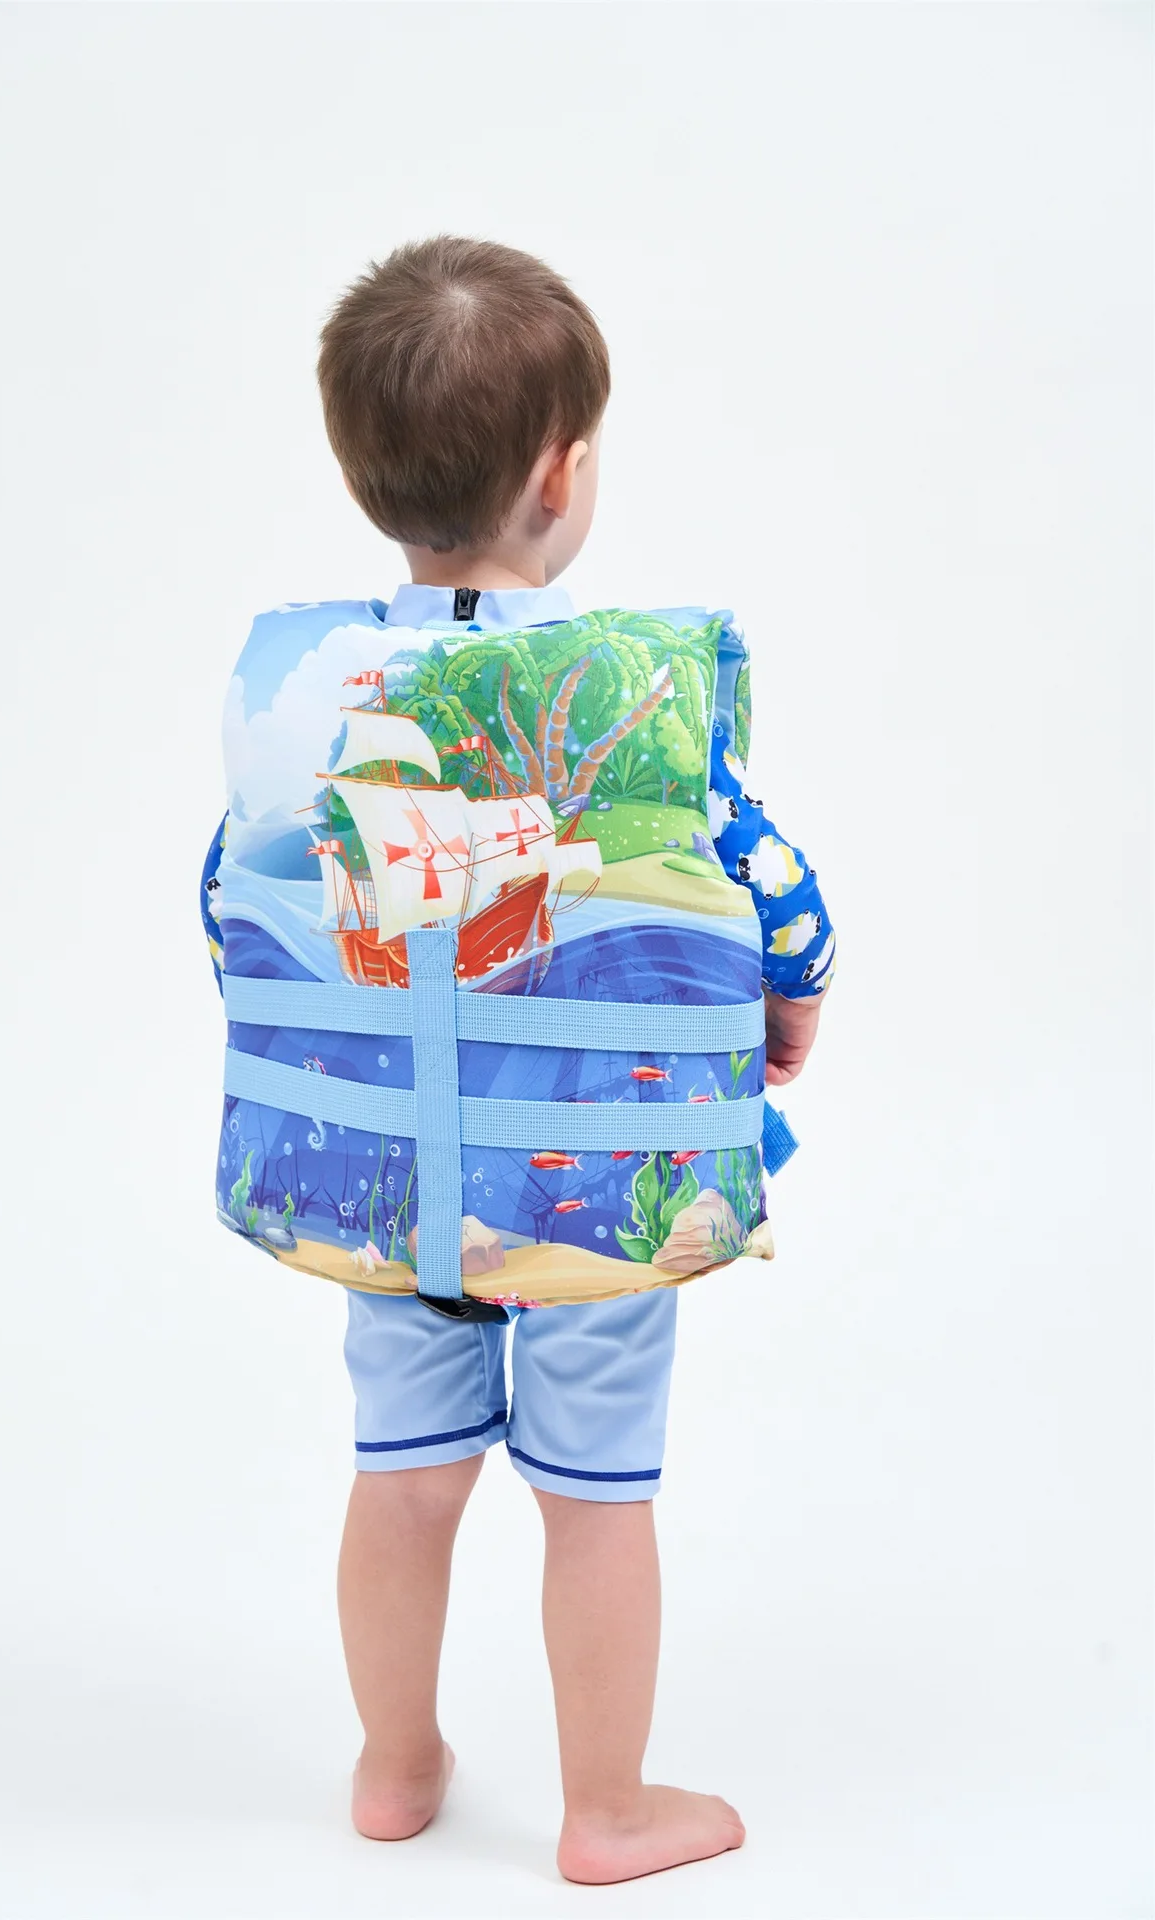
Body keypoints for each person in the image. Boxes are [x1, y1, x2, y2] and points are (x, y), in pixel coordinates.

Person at [207, 236, 834, 1884]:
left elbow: (231, 909)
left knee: (401, 1483)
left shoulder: (307, 707)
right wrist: (793, 999)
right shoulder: (643, 696)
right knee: (596, 1500)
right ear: (563, 476)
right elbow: (772, 890)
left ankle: (395, 1765)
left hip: (390, 1191)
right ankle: (607, 1812)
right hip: (590, 1203)